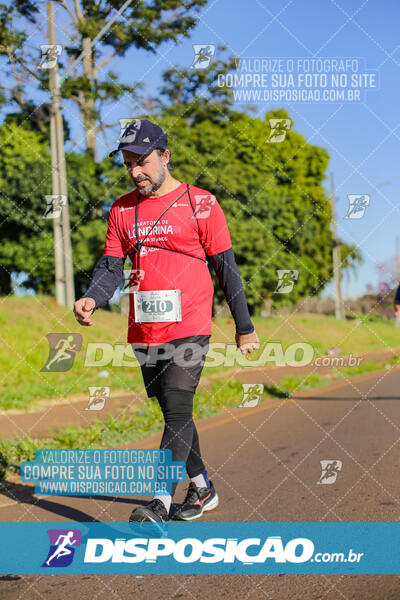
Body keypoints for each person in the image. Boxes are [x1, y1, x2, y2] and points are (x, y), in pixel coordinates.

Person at [73, 119, 259, 523]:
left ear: (165, 155)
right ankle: (202, 488)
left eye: (142, 161)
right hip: (144, 328)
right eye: (128, 164)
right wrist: (92, 297)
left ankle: (158, 501)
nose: (135, 171)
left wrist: (244, 327)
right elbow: (110, 266)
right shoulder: (122, 209)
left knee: (176, 409)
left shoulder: (201, 203)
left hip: (190, 323)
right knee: (175, 412)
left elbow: (226, 268)